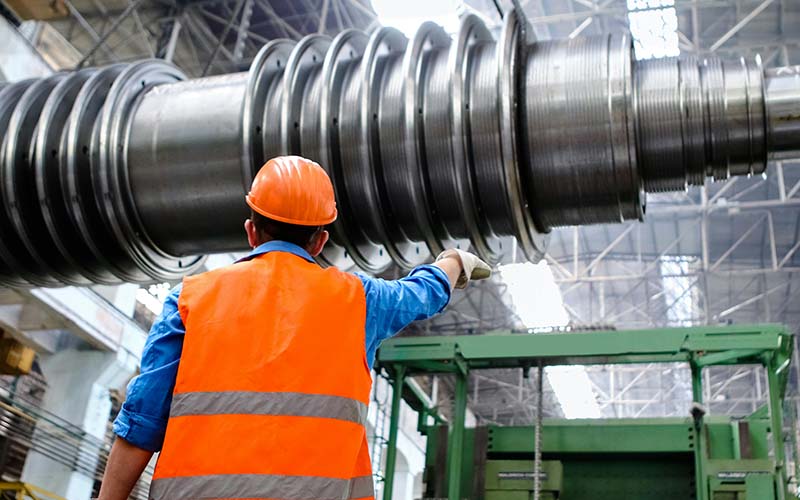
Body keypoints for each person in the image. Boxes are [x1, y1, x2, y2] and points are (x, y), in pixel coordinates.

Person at [97, 155, 491, 500]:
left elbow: (141, 423)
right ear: (320, 241)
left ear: (251, 231)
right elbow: (422, 293)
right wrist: (453, 262)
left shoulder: (190, 299)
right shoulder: (361, 300)